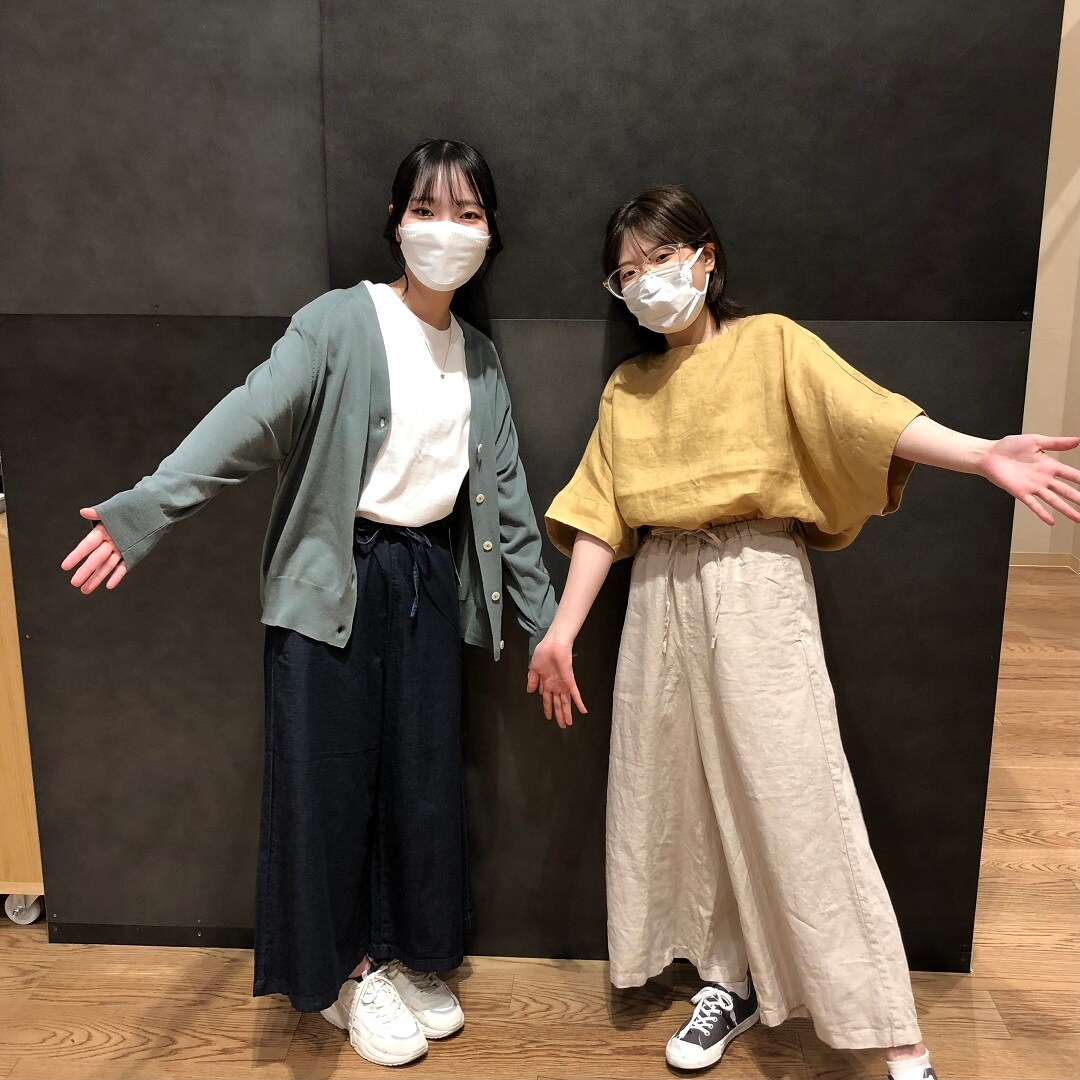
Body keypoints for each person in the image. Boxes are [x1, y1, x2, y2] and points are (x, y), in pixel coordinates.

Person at [529, 184, 1080, 1078]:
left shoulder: (771, 344)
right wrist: (562, 631)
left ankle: (892, 1031)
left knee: (796, 792)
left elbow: (869, 416)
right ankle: (727, 979)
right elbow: (600, 515)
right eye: (626, 273)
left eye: (661, 258)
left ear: (705, 257)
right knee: (679, 794)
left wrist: (981, 454)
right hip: (659, 591)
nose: (646, 281)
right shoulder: (629, 389)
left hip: (754, 579)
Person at [61, 139, 558, 1068]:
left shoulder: (481, 361)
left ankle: (405, 953)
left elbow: (510, 505)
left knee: (418, 778)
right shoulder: (338, 322)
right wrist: (146, 510)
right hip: (336, 578)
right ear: (394, 222)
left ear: (490, 233)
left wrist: (547, 625)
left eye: (467, 213)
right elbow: (250, 418)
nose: (445, 230)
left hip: (425, 583)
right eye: (426, 209)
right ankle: (343, 974)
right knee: (327, 782)